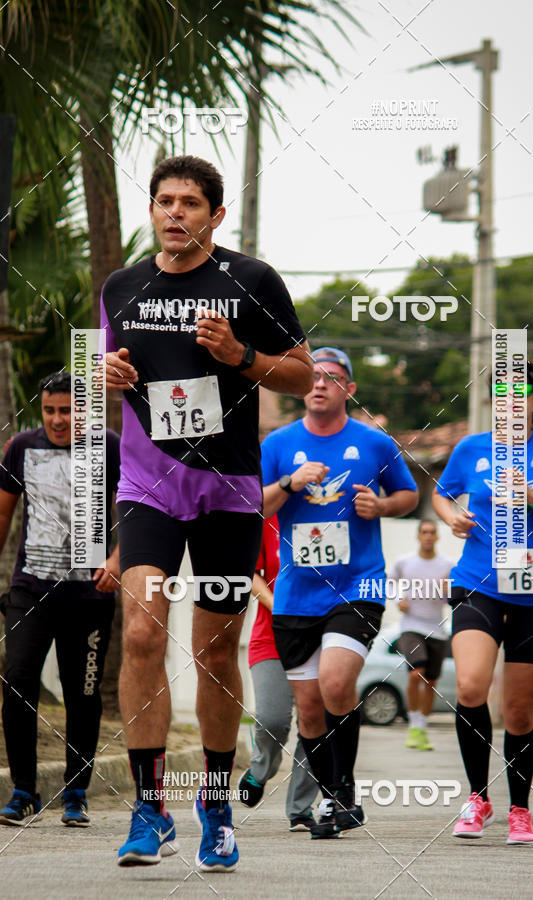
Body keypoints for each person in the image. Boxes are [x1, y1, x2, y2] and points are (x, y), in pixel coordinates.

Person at [101, 155, 312, 871]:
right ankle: (148, 808)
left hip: (228, 490)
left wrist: (241, 354)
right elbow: (110, 366)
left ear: (216, 215)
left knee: (216, 651)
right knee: (140, 632)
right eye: (164, 200)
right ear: (152, 209)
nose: (175, 212)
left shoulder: (252, 280)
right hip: (149, 485)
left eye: (190, 202)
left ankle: (215, 806)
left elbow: (301, 373)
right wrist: (109, 374)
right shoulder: (122, 286)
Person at [261, 347, 418, 839]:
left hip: (358, 584)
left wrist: (382, 506)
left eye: (330, 377)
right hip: (296, 593)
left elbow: (409, 495)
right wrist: (290, 482)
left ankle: (344, 793)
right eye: (312, 375)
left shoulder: (374, 443)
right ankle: (334, 798)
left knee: (334, 682)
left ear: (349, 389)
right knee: (309, 709)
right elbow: (252, 505)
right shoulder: (278, 443)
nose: (319, 383)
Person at [432, 360, 533, 846]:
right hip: (477, 583)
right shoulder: (471, 448)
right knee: (471, 687)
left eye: (522, 395)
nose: (512, 404)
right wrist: (452, 516)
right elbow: (441, 494)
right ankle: (477, 798)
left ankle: (520, 809)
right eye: (503, 395)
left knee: (519, 712)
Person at [0, 371, 120, 827]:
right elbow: (3, 513)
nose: (57, 419)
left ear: (85, 410)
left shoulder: (108, 446)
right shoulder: (21, 447)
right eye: (49, 410)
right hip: (30, 588)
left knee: (82, 693)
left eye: (67, 411)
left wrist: (118, 558)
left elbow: (134, 504)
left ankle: (76, 792)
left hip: (89, 594)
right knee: (18, 679)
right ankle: (23, 791)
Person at [238, 515, 319, 830]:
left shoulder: (329, 512)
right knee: (272, 720)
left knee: (315, 721)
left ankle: (301, 807)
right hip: (271, 634)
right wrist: (279, 608)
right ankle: (261, 769)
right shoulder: (267, 514)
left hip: (319, 635)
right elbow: (251, 573)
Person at [388, 519, 452, 751]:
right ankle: (413, 725)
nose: (428, 536)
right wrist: (398, 599)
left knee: (431, 682)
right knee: (417, 674)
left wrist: (448, 592)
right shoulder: (404, 562)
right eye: (424, 532)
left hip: (437, 629)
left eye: (432, 532)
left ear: (437, 537)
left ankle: (421, 728)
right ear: (418, 536)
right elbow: (389, 582)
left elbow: (454, 597)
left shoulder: (448, 565)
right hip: (411, 626)